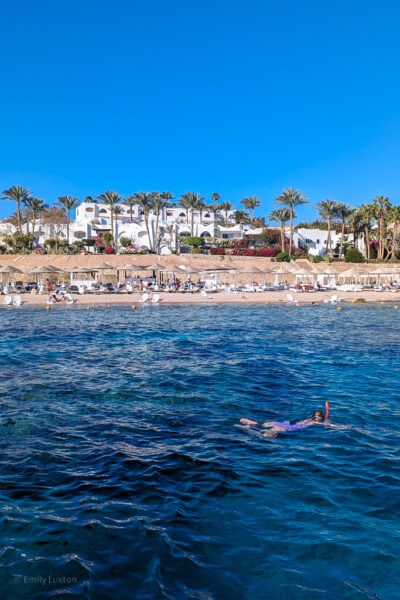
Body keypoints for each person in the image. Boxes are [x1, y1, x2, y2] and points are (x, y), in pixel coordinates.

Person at [240, 408, 327, 436]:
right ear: (313, 415)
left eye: (318, 416)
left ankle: (249, 423)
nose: (317, 417)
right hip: (290, 428)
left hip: (286, 424)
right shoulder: (314, 422)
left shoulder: (309, 420)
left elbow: (331, 424)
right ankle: (254, 428)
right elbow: (331, 425)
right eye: (316, 415)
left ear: (321, 417)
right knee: (271, 432)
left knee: (265, 425)